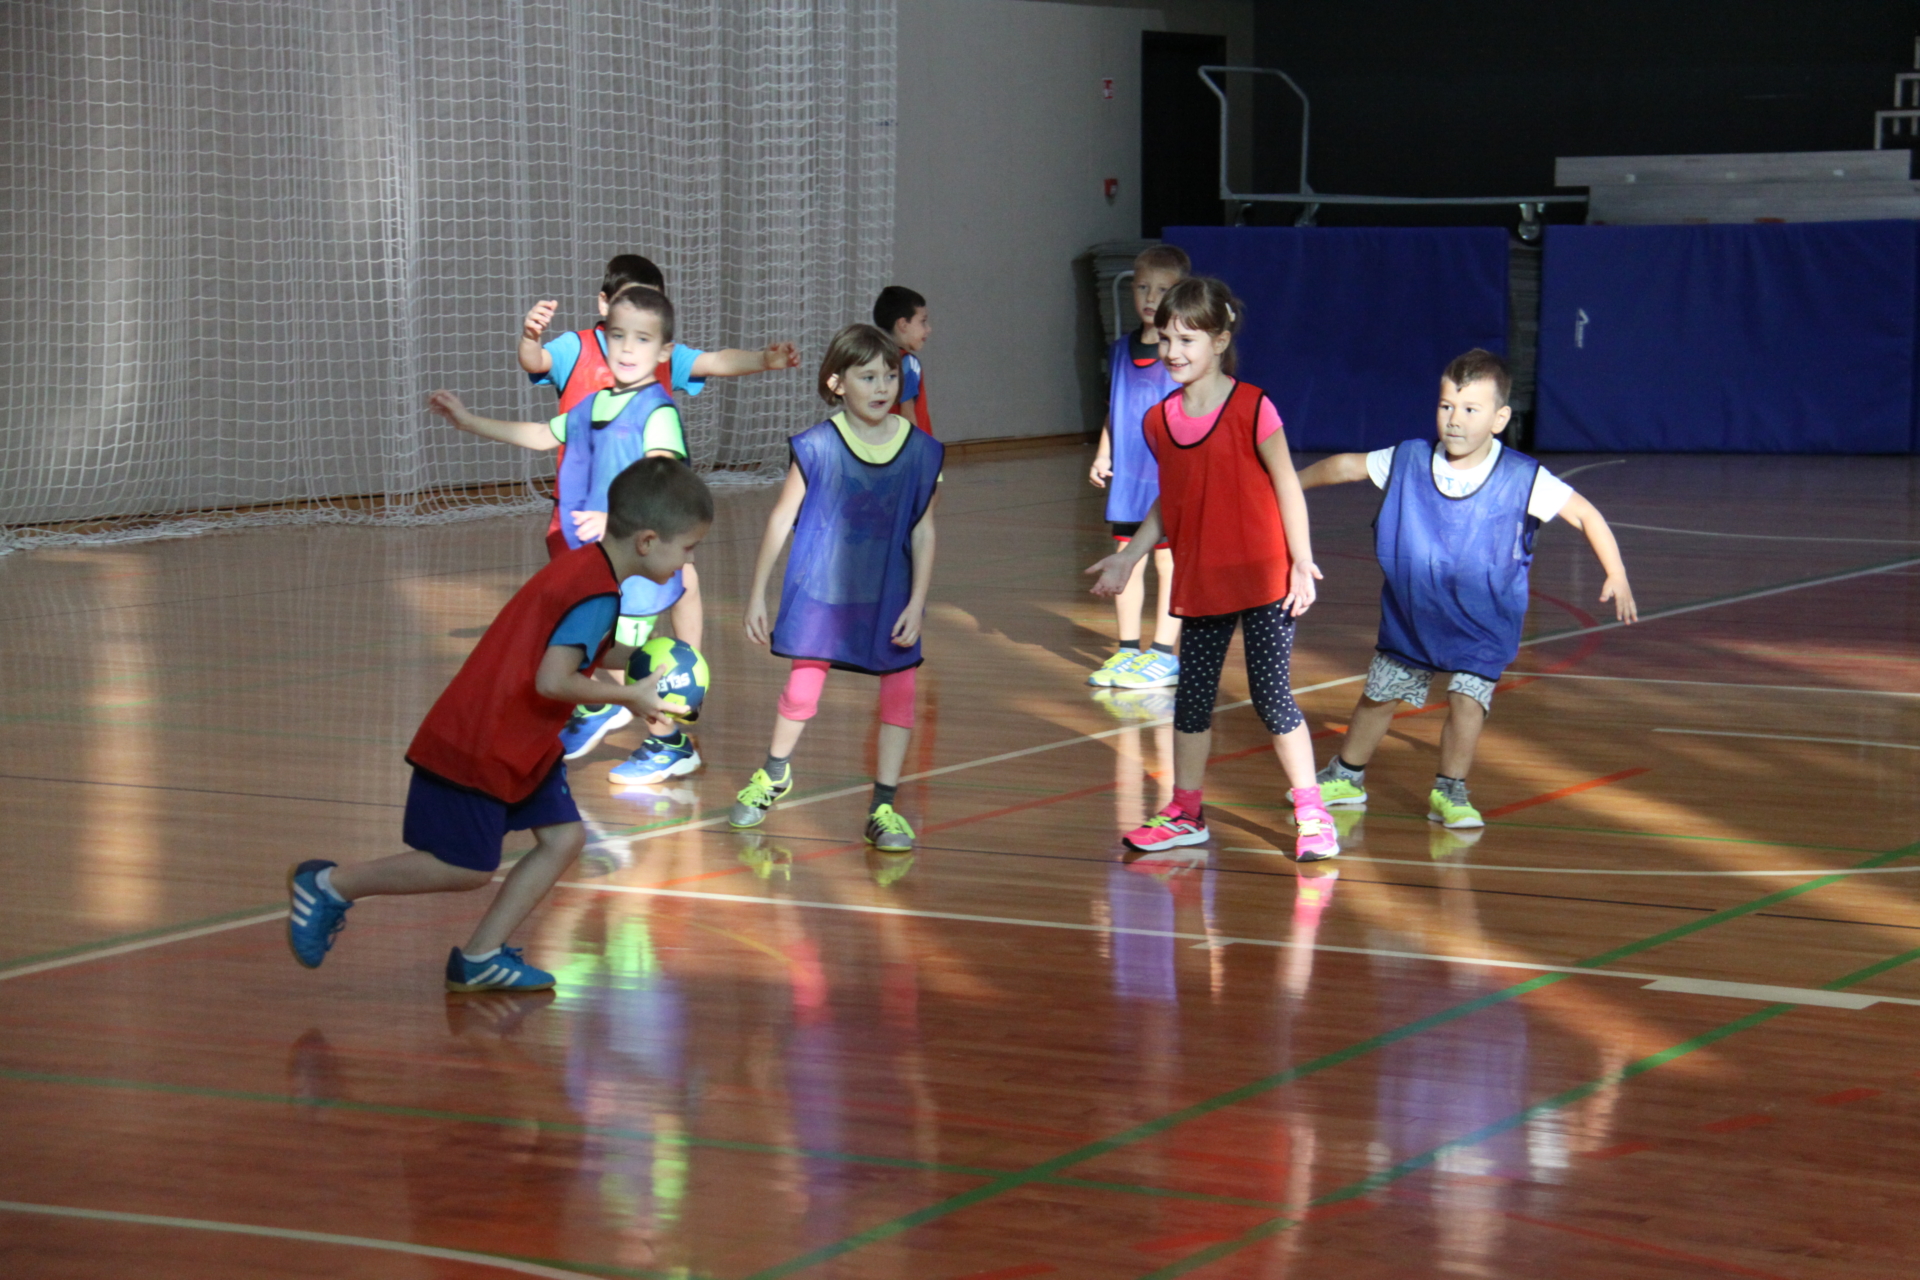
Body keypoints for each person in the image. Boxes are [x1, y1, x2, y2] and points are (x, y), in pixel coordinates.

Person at [286, 456, 713, 992]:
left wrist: (646, 660)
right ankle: (330, 884)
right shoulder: (597, 595)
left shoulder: (587, 570)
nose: (689, 559)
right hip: (483, 738)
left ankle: (481, 957)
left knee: (564, 839)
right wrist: (630, 695)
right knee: (466, 867)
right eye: (689, 547)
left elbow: (579, 649)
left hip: (524, 742)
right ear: (648, 541)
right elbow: (553, 680)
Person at [1297, 348, 1637, 828]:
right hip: (1414, 614)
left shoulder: (1522, 477)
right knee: (1379, 696)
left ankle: (1450, 790)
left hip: (1483, 621)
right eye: (1446, 406)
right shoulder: (1409, 459)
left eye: (1470, 409)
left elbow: (1584, 513)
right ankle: (1346, 775)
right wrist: (1288, 485)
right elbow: (1344, 467)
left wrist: (1615, 571)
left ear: (1499, 419)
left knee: (1467, 699)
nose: (1455, 419)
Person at [1087, 277, 1339, 863]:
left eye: (1187, 340)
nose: (1173, 351)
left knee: (1271, 696)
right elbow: (1170, 500)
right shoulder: (1158, 420)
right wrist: (1129, 555)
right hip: (1203, 581)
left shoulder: (1253, 407)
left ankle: (1312, 811)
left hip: (1264, 578)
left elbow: (1287, 486)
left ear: (1220, 341)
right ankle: (1186, 813)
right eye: (1166, 339)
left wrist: (1301, 560)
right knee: (1192, 701)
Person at [431, 287, 702, 788]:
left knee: (628, 656)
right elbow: (541, 435)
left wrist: (615, 513)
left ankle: (669, 742)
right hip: (605, 561)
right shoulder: (595, 404)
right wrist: (469, 422)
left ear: (665, 351)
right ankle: (608, 711)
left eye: (642, 339)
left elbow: (662, 477)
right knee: (602, 649)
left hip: (640, 563)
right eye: (617, 335)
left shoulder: (657, 410)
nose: (627, 348)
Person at [730, 324, 943, 854]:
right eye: (867, 376)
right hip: (822, 591)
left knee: (900, 693)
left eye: (889, 375)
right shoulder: (817, 446)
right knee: (802, 689)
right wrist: (757, 594)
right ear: (837, 383)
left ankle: (883, 806)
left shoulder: (921, 451)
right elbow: (781, 518)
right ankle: (774, 772)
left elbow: (923, 530)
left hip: (889, 592)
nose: (882, 386)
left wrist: (918, 602)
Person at [518, 253, 798, 557]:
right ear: (604, 303)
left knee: (678, 577)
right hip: (581, 504)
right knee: (579, 582)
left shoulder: (658, 355)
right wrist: (531, 337)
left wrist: (762, 359)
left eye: (651, 303)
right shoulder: (575, 347)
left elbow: (715, 361)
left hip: (643, 511)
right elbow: (535, 361)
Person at [1087, 244, 1188, 691]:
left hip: (1166, 477)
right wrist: (1104, 453)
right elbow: (1115, 407)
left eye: (1162, 289)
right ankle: (1128, 650)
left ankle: (1164, 653)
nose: (1150, 297)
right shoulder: (1119, 350)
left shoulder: (1178, 353)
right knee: (1125, 557)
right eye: (1143, 287)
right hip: (1129, 480)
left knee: (1168, 561)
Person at [873, 285, 933, 434]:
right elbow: (907, 413)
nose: (928, 329)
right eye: (923, 321)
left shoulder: (876, 359)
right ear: (903, 325)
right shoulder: (908, 363)